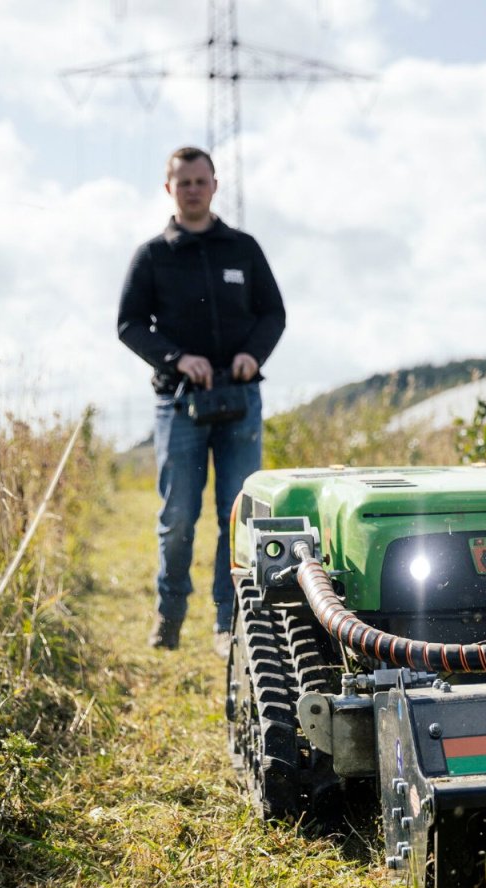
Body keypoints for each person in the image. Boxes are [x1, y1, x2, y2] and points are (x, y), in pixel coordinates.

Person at [117, 146, 286, 652]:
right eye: (183, 182)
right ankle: (169, 615)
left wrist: (252, 354)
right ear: (169, 188)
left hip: (240, 401)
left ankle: (227, 623)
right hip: (179, 403)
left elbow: (273, 314)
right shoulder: (153, 255)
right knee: (178, 517)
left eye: (200, 180)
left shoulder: (243, 249)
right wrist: (176, 359)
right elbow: (129, 324)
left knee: (237, 516)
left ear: (214, 185)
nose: (192, 189)